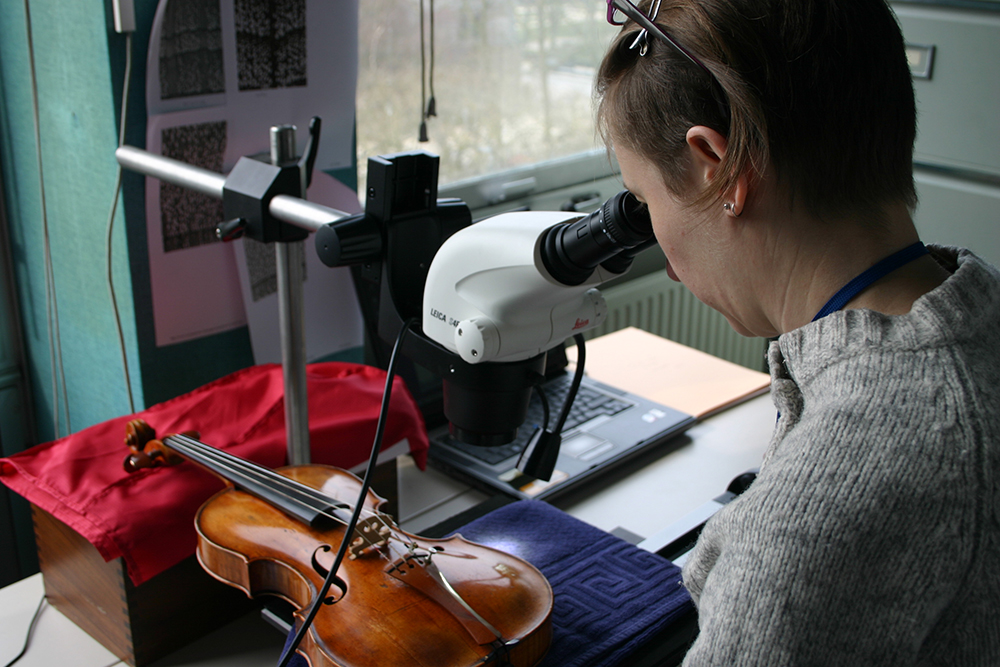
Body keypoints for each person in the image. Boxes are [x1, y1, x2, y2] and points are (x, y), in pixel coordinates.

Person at [595, 0, 1000, 665]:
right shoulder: (974, 320)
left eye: (647, 204)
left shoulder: (805, 525)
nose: (666, 264)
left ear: (714, 165)